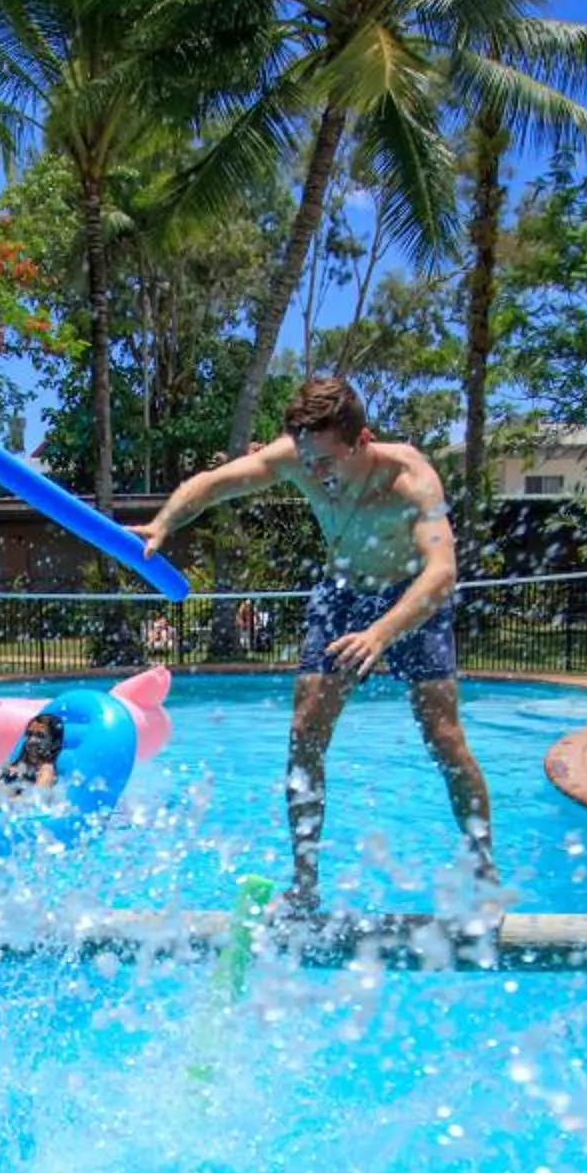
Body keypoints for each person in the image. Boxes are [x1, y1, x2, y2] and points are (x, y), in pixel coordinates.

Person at [137, 375, 493, 914]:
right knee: (304, 734)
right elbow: (213, 483)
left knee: (443, 737)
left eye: (325, 461)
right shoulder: (299, 456)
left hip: (413, 599)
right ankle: (305, 888)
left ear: (363, 440)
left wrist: (381, 632)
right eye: (306, 461)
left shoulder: (410, 480)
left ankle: (484, 871)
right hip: (343, 592)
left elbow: (442, 573)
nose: (314, 473)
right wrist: (163, 523)